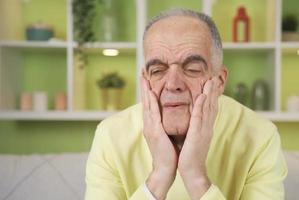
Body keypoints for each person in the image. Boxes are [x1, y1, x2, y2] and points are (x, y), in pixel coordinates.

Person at [85, 8, 287, 200]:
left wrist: (195, 176)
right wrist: (160, 175)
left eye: (192, 69)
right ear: (145, 80)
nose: (173, 85)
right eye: (157, 71)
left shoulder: (261, 136)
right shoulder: (110, 135)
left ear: (219, 82)